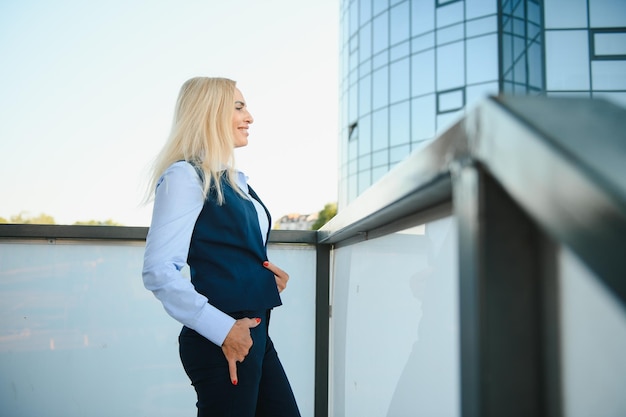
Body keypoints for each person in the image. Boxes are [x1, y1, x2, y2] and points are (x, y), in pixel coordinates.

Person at [142, 77, 301, 417]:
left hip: (254, 333)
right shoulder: (185, 177)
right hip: (225, 340)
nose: (250, 117)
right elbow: (158, 271)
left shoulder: (233, 180)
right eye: (239, 107)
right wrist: (224, 330)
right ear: (211, 113)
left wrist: (263, 279)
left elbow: (229, 254)